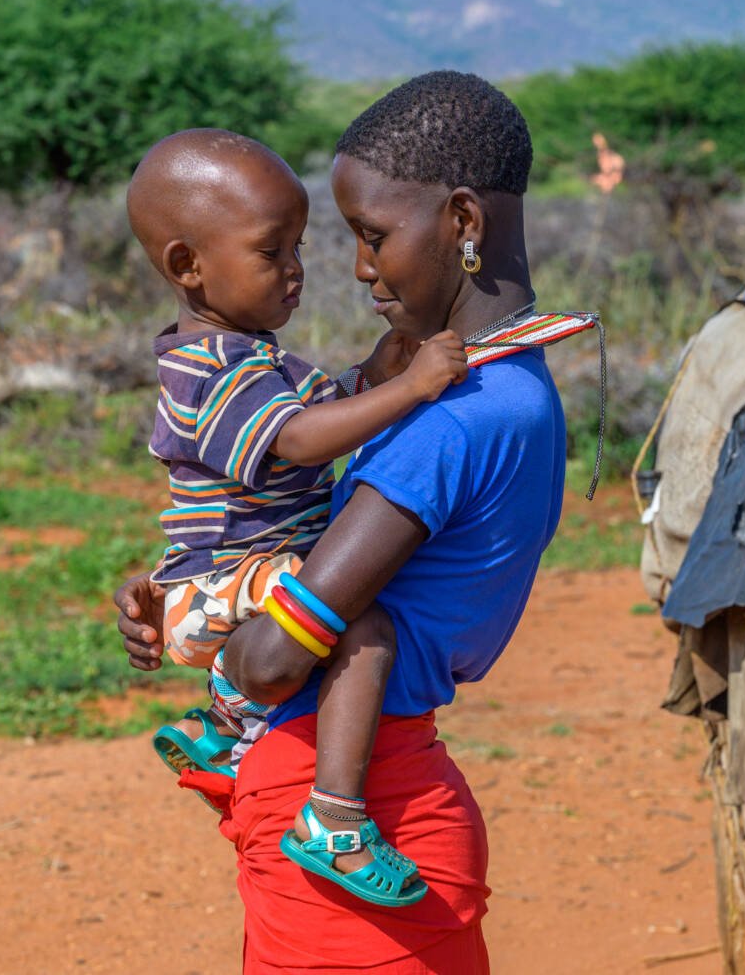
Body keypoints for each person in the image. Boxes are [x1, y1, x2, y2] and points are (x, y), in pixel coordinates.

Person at [116, 72, 595, 972]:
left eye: (371, 236)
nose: (354, 266)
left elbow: (269, 661)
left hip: (351, 800)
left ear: (461, 222)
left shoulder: (450, 420)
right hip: (395, 788)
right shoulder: (512, 387)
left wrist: (215, 625)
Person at [128, 128, 469, 906]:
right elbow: (298, 438)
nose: (296, 272)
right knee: (361, 624)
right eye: (270, 252)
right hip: (218, 584)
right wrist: (410, 387)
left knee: (325, 600)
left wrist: (364, 378)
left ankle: (222, 727)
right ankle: (335, 820)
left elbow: (304, 420)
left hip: (223, 578)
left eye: (297, 248)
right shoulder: (206, 374)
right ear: (187, 265)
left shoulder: (249, 356)